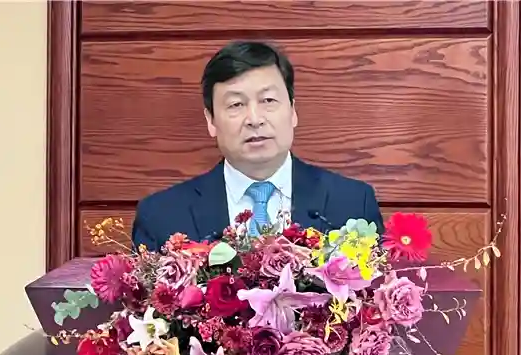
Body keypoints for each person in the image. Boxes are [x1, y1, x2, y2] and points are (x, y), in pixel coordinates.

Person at [131, 40, 384, 252]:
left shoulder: (352, 204)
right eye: (236, 105)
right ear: (211, 121)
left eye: (268, 100)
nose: (254, 119)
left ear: (293, 111)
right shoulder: (161, 217)